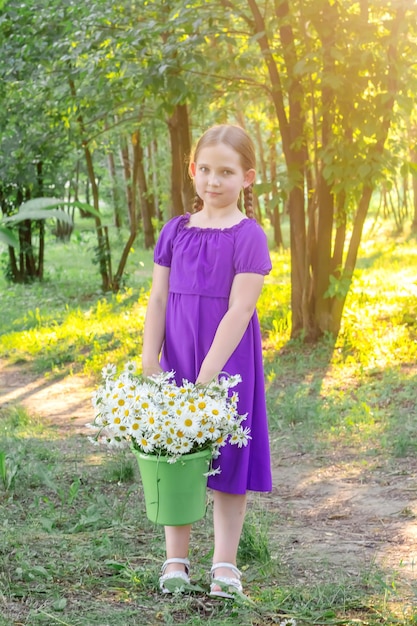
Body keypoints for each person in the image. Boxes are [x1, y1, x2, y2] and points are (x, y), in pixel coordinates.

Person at [141, 123, 272, 598]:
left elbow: (240, 310)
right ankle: (175, 559)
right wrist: (149, 359)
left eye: (227, 172)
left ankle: (224, 565)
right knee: (176, 456)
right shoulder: (175, 231)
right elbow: (157, 299)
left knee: (227, 462)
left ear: (247, 177)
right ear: (192, 171)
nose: (214, 181)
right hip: (177, 355)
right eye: (207, 170)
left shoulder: (249, 237)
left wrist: (208, 376)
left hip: (225, 361)